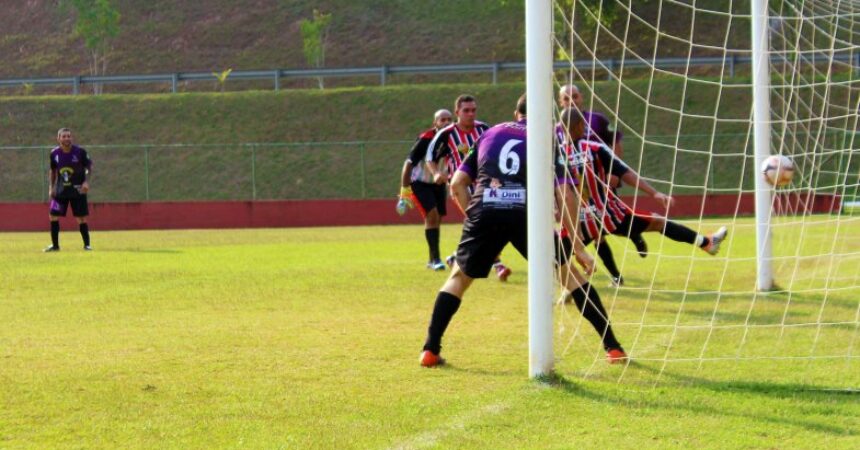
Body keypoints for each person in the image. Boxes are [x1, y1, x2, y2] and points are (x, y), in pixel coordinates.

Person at [420, 94, 627, 368]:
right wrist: (577, 246)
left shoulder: (490, 132)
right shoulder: (546, 139)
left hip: (485, 208)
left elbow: (457, 183)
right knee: (572, 278)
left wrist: (476, 217)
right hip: (525, 215)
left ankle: (430, 350)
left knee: (458, 278)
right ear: (545, 116)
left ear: (515, 113)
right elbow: (564, 192)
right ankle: (613, 348)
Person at [558, 107, 727, 268]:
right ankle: (706, 243)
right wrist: (654, 193)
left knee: (557, 258)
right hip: (609, 216)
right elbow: (625, 172)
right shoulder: (594, 148)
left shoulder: (555, 154)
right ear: (581, 125)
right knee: (659, 222)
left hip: (576, 221)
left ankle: (567, 288)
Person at [558, 83, 647, 287]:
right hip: (580, 188)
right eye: (566, 98)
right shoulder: (558, 129)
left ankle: (634, 235)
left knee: (611, 221)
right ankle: (616, 275)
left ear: (582, 97)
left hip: (603, 181)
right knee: (597, 231)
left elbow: (614, 142)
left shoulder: (598, 119)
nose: (572, 100)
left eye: (576, 96)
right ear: (560, 102)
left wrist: (612, 173)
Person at [426, 94, 512, 281]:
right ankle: (497, 265)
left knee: (483, 224)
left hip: (485, 184)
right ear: (457, 112)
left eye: (473, 110)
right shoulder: (446, 133)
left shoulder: (485, 129)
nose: (470, 114)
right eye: (466, 110)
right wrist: (436, 173)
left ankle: (456, 257)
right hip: (461, 187)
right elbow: (430, 156)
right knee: (482, 222)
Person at [397, 109, 454, 270]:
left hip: (439, 183)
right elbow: (408, 163)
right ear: (435, 123)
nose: (446, 122)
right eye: (442, 120)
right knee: (432, 215)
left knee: (438, 218)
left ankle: (432, 260)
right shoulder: (426, 139)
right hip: (420, 182)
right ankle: (436, 259)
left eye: (449, 119)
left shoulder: (454, 137)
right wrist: (404, 190)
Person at [44, 128, 93, 252]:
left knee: (81, 218)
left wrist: (86, 181)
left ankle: (87, 245)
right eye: (64, 136)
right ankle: (55, 246)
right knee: (53, 215)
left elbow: (88, 167)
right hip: (61, 191)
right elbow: (53, 171)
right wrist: (51, 186)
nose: (67, 139)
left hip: (78, 190)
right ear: (58, 139)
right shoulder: (54, 153)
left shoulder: (80, 152)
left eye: (69, 136)